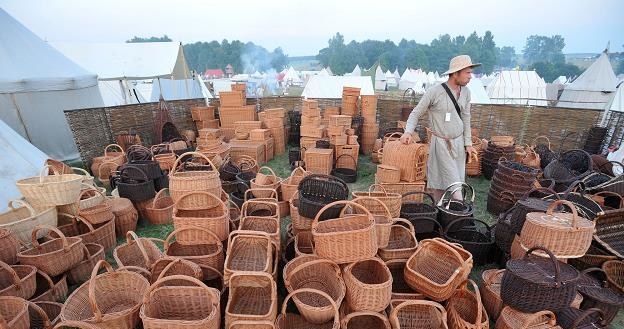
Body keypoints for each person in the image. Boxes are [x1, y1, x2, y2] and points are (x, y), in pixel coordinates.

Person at [400, 55, 479, 201]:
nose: (470, 77)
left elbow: (466, 118)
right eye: (467, 73)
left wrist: (468, 144)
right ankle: (459, 212)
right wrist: (408, 132)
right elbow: (415, 113)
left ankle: (440, 213)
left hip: (459, 144)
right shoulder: (434, 92)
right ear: (456, 73)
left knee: (450, 181)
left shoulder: (466, 93)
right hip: (441, 143)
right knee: (452, 185)